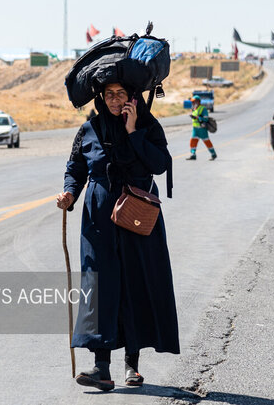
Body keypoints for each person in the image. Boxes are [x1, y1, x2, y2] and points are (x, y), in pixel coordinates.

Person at [56, 82, 179, 391]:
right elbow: (76, 167)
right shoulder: (90, 129)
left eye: (120, 94)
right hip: (98, 219)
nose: (113, 100)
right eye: (108, 94)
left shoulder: (148, 125)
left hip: (136, 215)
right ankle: (101, 367)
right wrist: (70, 193)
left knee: (133, 283)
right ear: (100, 97)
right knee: (98, 285)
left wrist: (134, 129)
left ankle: (131, 365)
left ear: (132, 97)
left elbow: (160, 164)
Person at [187, 96, 217, 160]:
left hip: (202, 129)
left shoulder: (203, 109)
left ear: (198, 101)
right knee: (193, 141)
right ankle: (193, 154)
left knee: (206, 141)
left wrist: (198, 118)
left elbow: (206, 119)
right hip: (195, 129)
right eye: (192, 102)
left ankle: (213, 154)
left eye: (193, 101)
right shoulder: (194, 109)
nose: (192, 103)